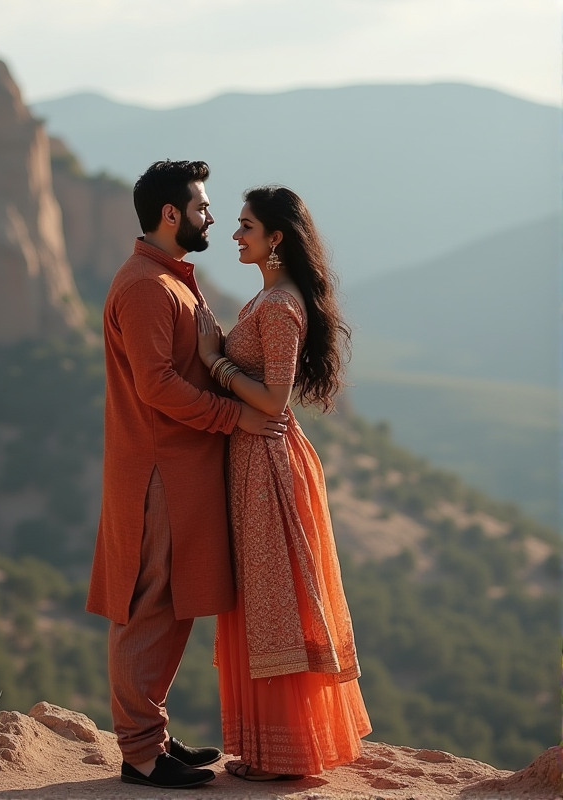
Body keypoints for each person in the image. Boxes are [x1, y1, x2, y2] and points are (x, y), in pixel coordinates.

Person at [86, 161, 288, 791]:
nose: (210, 217)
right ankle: (141, 756)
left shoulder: (169, 279)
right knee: (149, 607)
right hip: (157, 474)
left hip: (176, 472)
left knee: (170, 607)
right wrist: (235, 418)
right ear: (170, 215)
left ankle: (153, 734)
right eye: (201, 207)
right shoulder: (148, 287)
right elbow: (158, 386)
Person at [196, 185, 372, 781]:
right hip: (255, 458)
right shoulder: (270, 296)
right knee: (266, 599)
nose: (235, 235)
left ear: (276, 238)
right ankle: (271, 750)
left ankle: (283, 756)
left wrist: (214, 361)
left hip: (266, 460)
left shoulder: (276, 305)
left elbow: (272, 400)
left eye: (245, 226)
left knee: (274, 603)